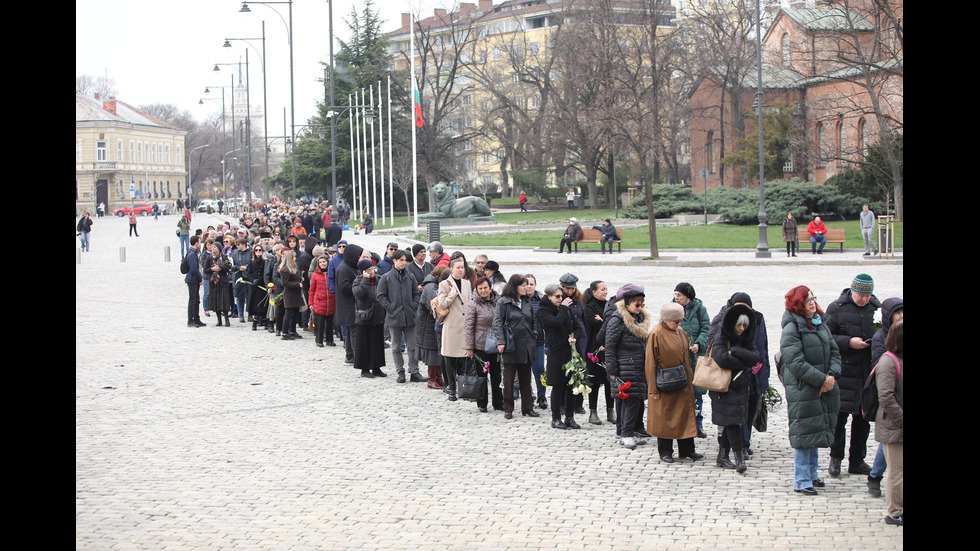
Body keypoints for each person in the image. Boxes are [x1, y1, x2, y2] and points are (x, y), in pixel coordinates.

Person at [780, 285, 841, 495]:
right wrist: (821, 379)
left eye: (813, 298)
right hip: (803, 388)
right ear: (798, 304)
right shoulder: (792, 328)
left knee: (817, 428)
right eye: (807, 300)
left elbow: (834, 351)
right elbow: (795, 362)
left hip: (824, 385)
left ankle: (813, 474)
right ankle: (802, 480)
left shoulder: (819, 323)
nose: (812, 302)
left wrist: (832, 375)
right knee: (805, 433)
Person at [825, 274, 880, 477]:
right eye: (861, 295)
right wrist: (849, 342)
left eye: (868, 295)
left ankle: (857, 460)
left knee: (862, 420)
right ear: (852, 291)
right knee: (839, 419)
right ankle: (835, 459)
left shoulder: (876, 309)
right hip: (843, 372)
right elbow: (827, 337)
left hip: (866, 371)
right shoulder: (836, 308)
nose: (865, 299)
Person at [646, 303, 701, 462]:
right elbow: (650, 363)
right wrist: (653, 388)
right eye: (675, 322)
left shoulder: (680, 332)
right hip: (664, 381)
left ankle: (687, 449)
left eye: (680, 321)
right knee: (665, 417)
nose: (678, 324)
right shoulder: (656, 334)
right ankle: (665, 452)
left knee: (684, 415)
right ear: (666, 319)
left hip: (682, 381)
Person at [709, 304, 760, 472]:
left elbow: (755, 358)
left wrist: (736, 351)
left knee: (733, 420)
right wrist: (744, 362)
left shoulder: (746, 339)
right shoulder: (721, 337)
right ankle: (739, 458)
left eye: (744, 325)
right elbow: (721, 359)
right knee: (732, 422)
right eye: (739, 325)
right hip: (723, 387)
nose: (742, 329)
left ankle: (722, 456)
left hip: (740, 386)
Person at [604, 285, 651, 450]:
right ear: (627, 304)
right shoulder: (617, 320)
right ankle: (626, 434)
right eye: (636, 304)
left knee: (632, 401)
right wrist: (612, 370)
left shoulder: (639, 319)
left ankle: (627, 431)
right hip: (624, 367)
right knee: (628, 401)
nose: (639, 308)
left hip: (637, 366)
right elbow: (609, 346)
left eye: (641, 304)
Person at [867, 297, 902, 497]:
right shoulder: (881, 338)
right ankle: (875, 475)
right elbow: (880, 366)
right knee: (889, 442)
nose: (901, 316)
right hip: (891, 397)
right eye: (898, 313)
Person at [492, 274, 539, 420]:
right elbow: (497, 322)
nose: (526, 288)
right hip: (511, 344)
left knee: (526, 378)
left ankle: (527, 407)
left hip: (526, 345)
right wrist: (500, 341)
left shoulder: (526, 301)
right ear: (515, 286)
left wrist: (534, 334)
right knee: (509, 379)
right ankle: (508, 408)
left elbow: (534, 320)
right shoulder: (503, 302)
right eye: (523, 285)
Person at [377, 249, 426, 384]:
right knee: (396, 347)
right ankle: (400, 372)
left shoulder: (410, 277)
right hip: (394, 317)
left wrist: (413, 305)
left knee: (414, 346)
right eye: (401, 260)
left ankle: (414, 371)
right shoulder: (386, 277)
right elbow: (380, 296)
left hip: (410, 316)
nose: (404, 263)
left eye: (405, 260)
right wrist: (390, 307)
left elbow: (416, 293)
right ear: (395, 261)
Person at [874, 320, 903, 526]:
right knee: (896, 471)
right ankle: (894, 512)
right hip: (893, 425)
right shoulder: (888, 361)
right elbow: (886, 397)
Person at [673, 283, 710, 438]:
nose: (677, 298)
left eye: (679, 295)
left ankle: (698, 424)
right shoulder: (672, 309)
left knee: (697, 391)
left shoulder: (699, 309)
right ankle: (682, 424)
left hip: (695, 356)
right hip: (679, 355)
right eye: (675, 294)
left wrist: (699, 343)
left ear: (688, 296)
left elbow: (706, 328)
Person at [465, 276, 503, 413]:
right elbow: (469, 327)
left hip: (496, 344)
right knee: (481, 375)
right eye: (480, 288)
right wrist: (470, 347)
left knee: (497, 374)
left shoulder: (498, 301)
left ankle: (498, 402)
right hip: (480, 345)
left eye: (485, 288)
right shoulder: (473, 305)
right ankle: (482, 403)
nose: (483, 291)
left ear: (490, 288)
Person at [437, 257, 472, 401]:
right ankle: (451, 387)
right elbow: (442, 304)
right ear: (451, 269)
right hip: (451, 326)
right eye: (458, 267)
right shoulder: (444, 284)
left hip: (465, 325)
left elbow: (469, 302)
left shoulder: (467, 283)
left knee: (465, 360)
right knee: (450, 358)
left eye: (462, 267)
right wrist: (452, 293)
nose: (460, 270)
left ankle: (465, 388)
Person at [583, 280, 613, 424]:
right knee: (594, 381)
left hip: (609, 348)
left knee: (610, 381)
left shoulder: (610, 306)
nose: (605, 291)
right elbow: (596, 324)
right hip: (594, 349)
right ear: (594, 292)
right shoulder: (589, 308)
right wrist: (604, 322)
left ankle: (610, 410)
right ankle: (593, 412)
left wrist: (603, 321)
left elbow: (613, 324)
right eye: (602, 289)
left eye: (606, 289)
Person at [353, 259, 387, 377]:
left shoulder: (379, 280)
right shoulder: (357, 281)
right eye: (369, 270)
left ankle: (377, 367)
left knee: (377, 343)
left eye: (372, 269)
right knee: (364, 343)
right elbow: (359, 294)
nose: (372, 271)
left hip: (378, 316)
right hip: (364, 317)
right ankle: (365, 369)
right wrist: (365, 279)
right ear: (363, 272)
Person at [417, 265, 448, 390]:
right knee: (432, 353)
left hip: (434, 324)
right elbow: (434, 306)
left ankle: (439, 377)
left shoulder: (434, 284)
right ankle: (431, 379)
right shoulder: (430, 286)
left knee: (438, 351)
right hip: (427, 324)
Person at [524, 274, 548, 410]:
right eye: (526, 284)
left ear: (535, 286)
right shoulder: (518, 300)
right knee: (524, 371)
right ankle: (528, 394)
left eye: (531, 284)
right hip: (522, 342)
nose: (528, 286)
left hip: (538, 341)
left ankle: (542, 396)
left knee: (539, 370)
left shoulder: (541, 301)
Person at [309, 255, 336, 347]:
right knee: (320, 323)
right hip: (320, 301)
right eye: (320, 262)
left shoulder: (331, 273)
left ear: (327, 262)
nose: (322, 264)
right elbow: (312, 290)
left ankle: (329, 340)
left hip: (331, 301)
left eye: (324, 262)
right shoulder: (315, 275)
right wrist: (311, 303)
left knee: (330, 323)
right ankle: (319, 340)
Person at [203, 240, 232, 326]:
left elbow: (228, 267)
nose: (213, 248)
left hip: (223, 281)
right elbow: (205, 270)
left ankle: (226, 319)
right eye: (212, 247)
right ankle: (219, 319)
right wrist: (212, 269)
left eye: (214, 247)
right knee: (216, 300)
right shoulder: (209, 258)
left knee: (224, 300)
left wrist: (220, 267)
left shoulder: (224, 257)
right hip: (213, 282)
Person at [278, 250, 304, 340]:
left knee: (295, 313)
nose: (295, 258)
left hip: (295, 294)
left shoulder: (294, 267)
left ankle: (293, 330)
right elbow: (285, 283)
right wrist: (297, 284)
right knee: (289, 313)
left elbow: (293, 278)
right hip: (290, 294)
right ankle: (285, 332)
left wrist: (300, 279)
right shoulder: (285, 269)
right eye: (293, 257)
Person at [245, 242, 267, 331]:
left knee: (262, 304)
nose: (258, 251)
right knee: (254, 304)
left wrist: (260, 280)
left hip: (261, 285)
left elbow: (265, 273)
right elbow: (248, 273)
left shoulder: (265, 262)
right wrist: (252, 280)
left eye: (259, 250)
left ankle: (264, 321)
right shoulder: (251, 262)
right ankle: (255, 322)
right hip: (253, 286)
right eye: (256, 250)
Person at [184, 235, 205, 327]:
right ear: (196, 243)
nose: (200, 244)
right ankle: (191, 319)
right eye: (200, 242)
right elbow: (194, 269)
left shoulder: (193, 252)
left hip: (194, 279)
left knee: (196, 300)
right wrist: (200, 278)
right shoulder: (192, 254)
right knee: (193, 300)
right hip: (192, 279)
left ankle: (196, 318)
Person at [230, 238, 252, 323]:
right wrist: (238, 267)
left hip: (248, 276)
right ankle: (241, 314)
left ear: (244, 244)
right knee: (239, 296)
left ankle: (250, 314)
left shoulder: (250, 252)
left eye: (239, 244)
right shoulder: (235, 254)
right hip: (238, 277)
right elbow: (231, 266)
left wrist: (247, 267)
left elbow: (253, 263)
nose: (237, 246)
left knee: (250, 296)